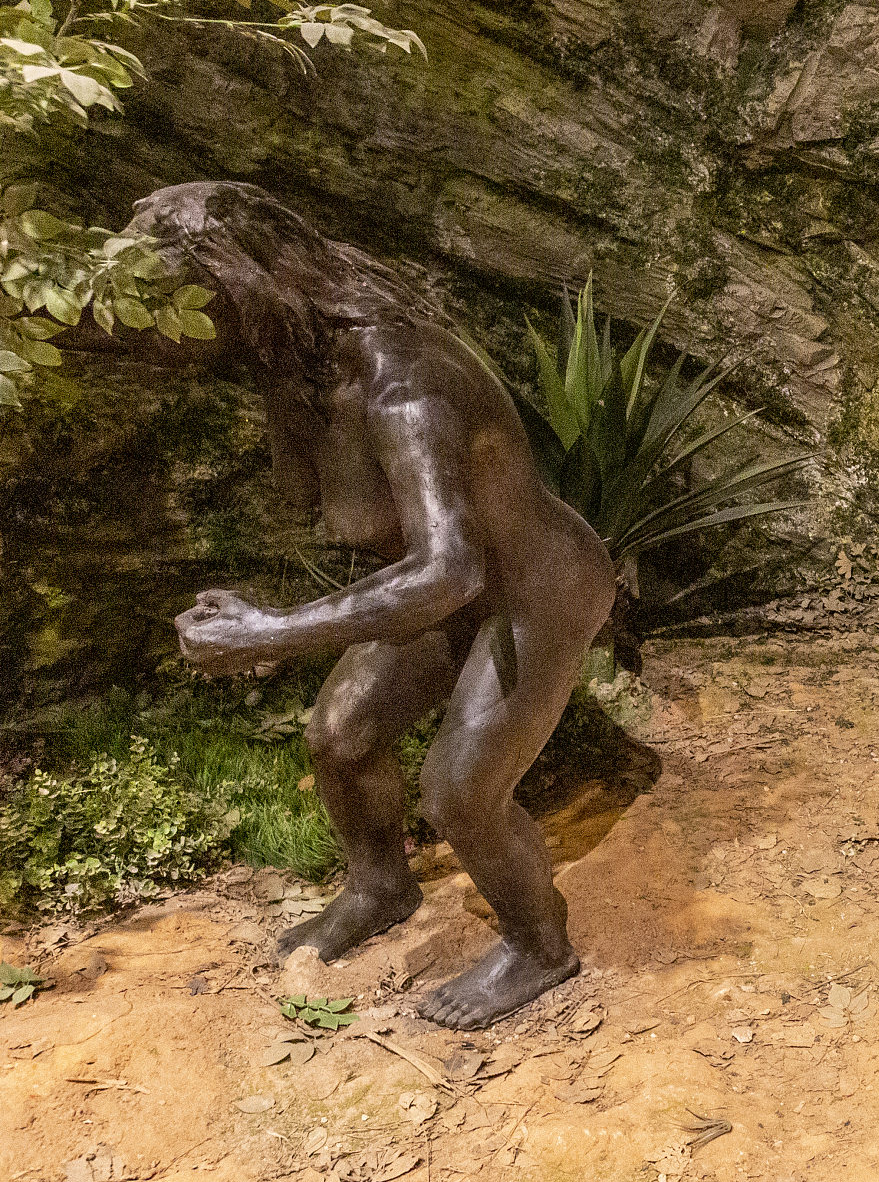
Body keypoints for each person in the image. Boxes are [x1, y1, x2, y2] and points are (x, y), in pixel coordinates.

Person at [89, 181, 613, 1029]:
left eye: (180, 302)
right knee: (339, 734)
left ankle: (539, 942)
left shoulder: (401, 385)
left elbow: (450, 569)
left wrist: (275, 630)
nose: (163, 326)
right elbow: (314, 504)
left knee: (459, 790)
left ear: (241, 286)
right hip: (456, 581)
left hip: (535, 589)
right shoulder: (302, 368)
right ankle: (380, 885)